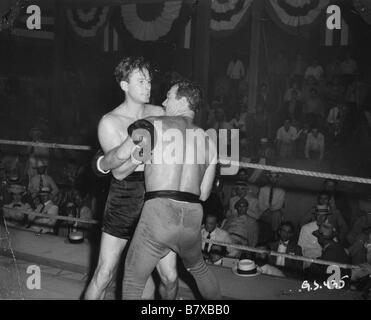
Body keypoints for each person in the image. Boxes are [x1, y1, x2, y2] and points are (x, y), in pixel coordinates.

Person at [84, 57, 177, 300]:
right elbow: (119, 172)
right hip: (124, 198)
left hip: (157, 196)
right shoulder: (110, 122)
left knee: (169, 277)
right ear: (124, 85)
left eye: (149, 80)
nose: (148, 86)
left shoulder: (160, 112)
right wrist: (141, 151)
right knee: (105, 274)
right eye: (141, 81)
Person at [122, 80, 221, 299]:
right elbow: (204, 194)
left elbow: (131, 164)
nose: (164, 101)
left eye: (169, 96)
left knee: (132, 281)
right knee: (199, 269)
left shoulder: (153, 124)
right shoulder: (210, 141)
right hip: (192, 217)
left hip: (159, 211)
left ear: (184, 100)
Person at [258, 172, 286, 238]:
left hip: (274, 213)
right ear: (268, 178)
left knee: (277, 214)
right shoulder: (262, 189)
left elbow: (279, 205)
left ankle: (275, 234)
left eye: (275, 177)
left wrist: (269, 210)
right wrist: (264, 211)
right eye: (271, 176)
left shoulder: (281, 191)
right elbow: (260, 202)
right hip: (263, 212)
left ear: (278, 179)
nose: (273, 179)